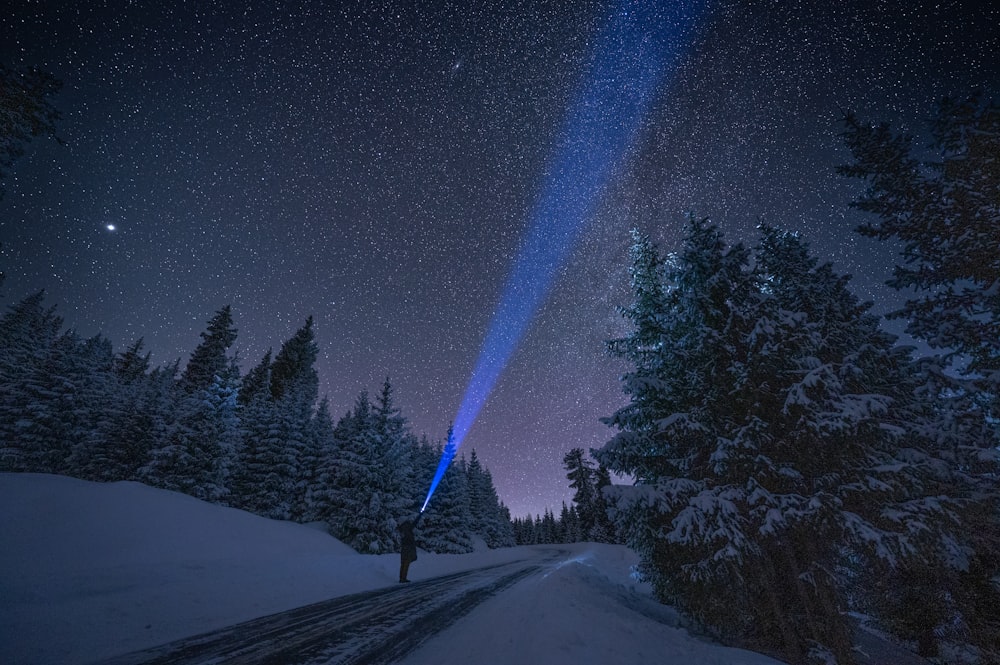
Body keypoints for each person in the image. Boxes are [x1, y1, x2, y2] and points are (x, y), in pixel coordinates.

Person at [398, 511, 423, 583]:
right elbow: (414, 523)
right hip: (408, 548)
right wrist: (420, 515)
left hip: (404, 548)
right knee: (406, 563)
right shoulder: (406, 527)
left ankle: (401, 578)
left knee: (403, 563)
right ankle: (403, 578)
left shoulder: (401, 529)